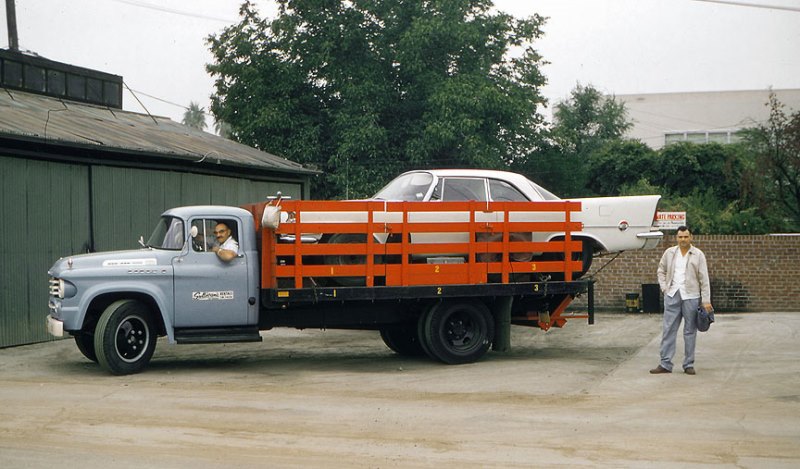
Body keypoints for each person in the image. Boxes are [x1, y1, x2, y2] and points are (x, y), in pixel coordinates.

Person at [651, 226, 712, 376]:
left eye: (685, 237)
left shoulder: (698, 255)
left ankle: (688, 364)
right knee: (668, 329)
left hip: (691, 296)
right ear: (676, 238)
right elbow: (661, 270)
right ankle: (665, 363)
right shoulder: (670, 253)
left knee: (690, 331)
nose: (683, 239)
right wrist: (665, 288)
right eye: (680, 237)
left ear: (691, 237)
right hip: (672, 294)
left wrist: (706, 300)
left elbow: (704, 278)